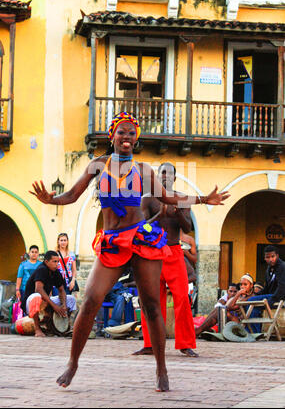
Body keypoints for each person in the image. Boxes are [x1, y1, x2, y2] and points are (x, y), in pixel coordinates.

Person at [30, 111, 229, 392]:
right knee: (90, 300)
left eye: (132, 133)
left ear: (136, 139)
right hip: (112, 240)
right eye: (121, 132)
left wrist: (201, 198)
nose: (127, 137)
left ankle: (161, 368)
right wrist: (52, 199)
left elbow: (168, 197)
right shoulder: (98, 165)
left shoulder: (144, 170)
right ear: (113, 135)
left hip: (141, 238)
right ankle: (73, 363)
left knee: (151, 304)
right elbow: (72, 195)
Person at [133, 162, 198, 358]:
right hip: (153, 253)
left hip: (175, 252)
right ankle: (149, 343)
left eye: (169, 174)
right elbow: (142, 228)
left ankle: (185, 344)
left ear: (174, 178)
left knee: (182, 299)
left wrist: (178, 212)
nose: (165, 176)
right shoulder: (148, 199)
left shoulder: (182, 199)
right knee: (151, 299)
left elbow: (187, 229)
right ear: (156, 176)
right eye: (162, 173)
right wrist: (158, 216)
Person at [21, 251, 77, 337]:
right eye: (54, 261)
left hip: (45, 301)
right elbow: (38, 289)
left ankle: (65, 327)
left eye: (58, 261)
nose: (57, 264)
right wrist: (55, 306)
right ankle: (37, 329)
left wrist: (64, 305)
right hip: (31, 303)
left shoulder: (55, 272)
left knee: (71, 299)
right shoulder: (41, 269)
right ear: (46, 262)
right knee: (37, 296)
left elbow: (61, 290)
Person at [245, 245, 285, 331]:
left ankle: (252, 331)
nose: (270, 259)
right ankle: (255, 332)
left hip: (279, 297)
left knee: (251, 301)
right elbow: (266, 288)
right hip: (270, 295)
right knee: (251, 301)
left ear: (277, 256)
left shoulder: (283, 267)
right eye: (267, 257)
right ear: (264, 258)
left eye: (272, 256)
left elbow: (282, 287)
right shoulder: (268, 269)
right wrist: (255, 294)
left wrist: (271, 300)